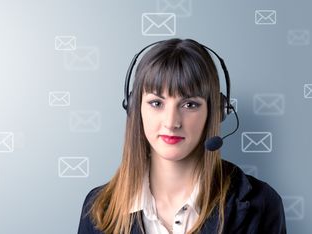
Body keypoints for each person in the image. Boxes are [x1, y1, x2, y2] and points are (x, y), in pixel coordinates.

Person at [77, 38, 286, 234]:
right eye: (156, 103)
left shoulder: (262, 204)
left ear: (215, 111)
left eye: (189, 105)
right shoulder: (98, 208)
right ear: (134, 108)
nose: (171, 122)